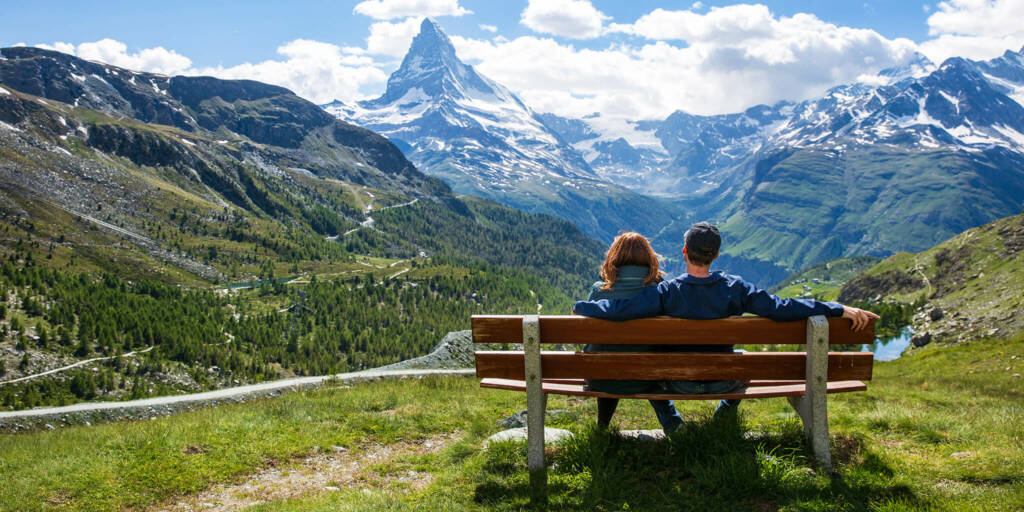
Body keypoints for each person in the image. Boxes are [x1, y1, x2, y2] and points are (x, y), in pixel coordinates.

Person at [573, 222, 879, 421]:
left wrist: (584, 306)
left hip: (678, 381)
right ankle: (725, 412)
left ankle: (676, 424)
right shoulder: (737, 289)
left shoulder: (667, 291)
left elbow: (620, 311)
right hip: (725, 380)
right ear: (716, 255)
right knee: (743, 359)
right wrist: (835, 308)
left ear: (684, 251)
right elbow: (782, 307)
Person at [582, 232, 685, 435]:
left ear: (614, 257)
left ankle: (601, 429)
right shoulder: (660, 293)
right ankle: (674, 426)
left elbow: (587, 336)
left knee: (610, 359)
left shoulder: (599, 291)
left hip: (602, 377)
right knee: (650, 366)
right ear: (649, 258)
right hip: (647, 377)